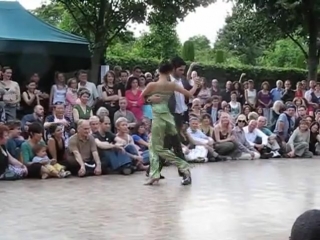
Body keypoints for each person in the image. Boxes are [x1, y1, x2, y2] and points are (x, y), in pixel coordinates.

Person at [141, 61, 198, 185]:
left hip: (168, 118)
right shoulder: (171, 85)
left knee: (161, 147)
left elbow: (142, 96)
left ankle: (180, 172)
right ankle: (156, 172)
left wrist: (150, 99)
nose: (182, 72)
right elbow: (190, 95)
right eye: (181, 70)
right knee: (166, 146)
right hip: (168, 118)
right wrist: (196, 86)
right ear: (172, 70)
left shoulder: (156, 84)